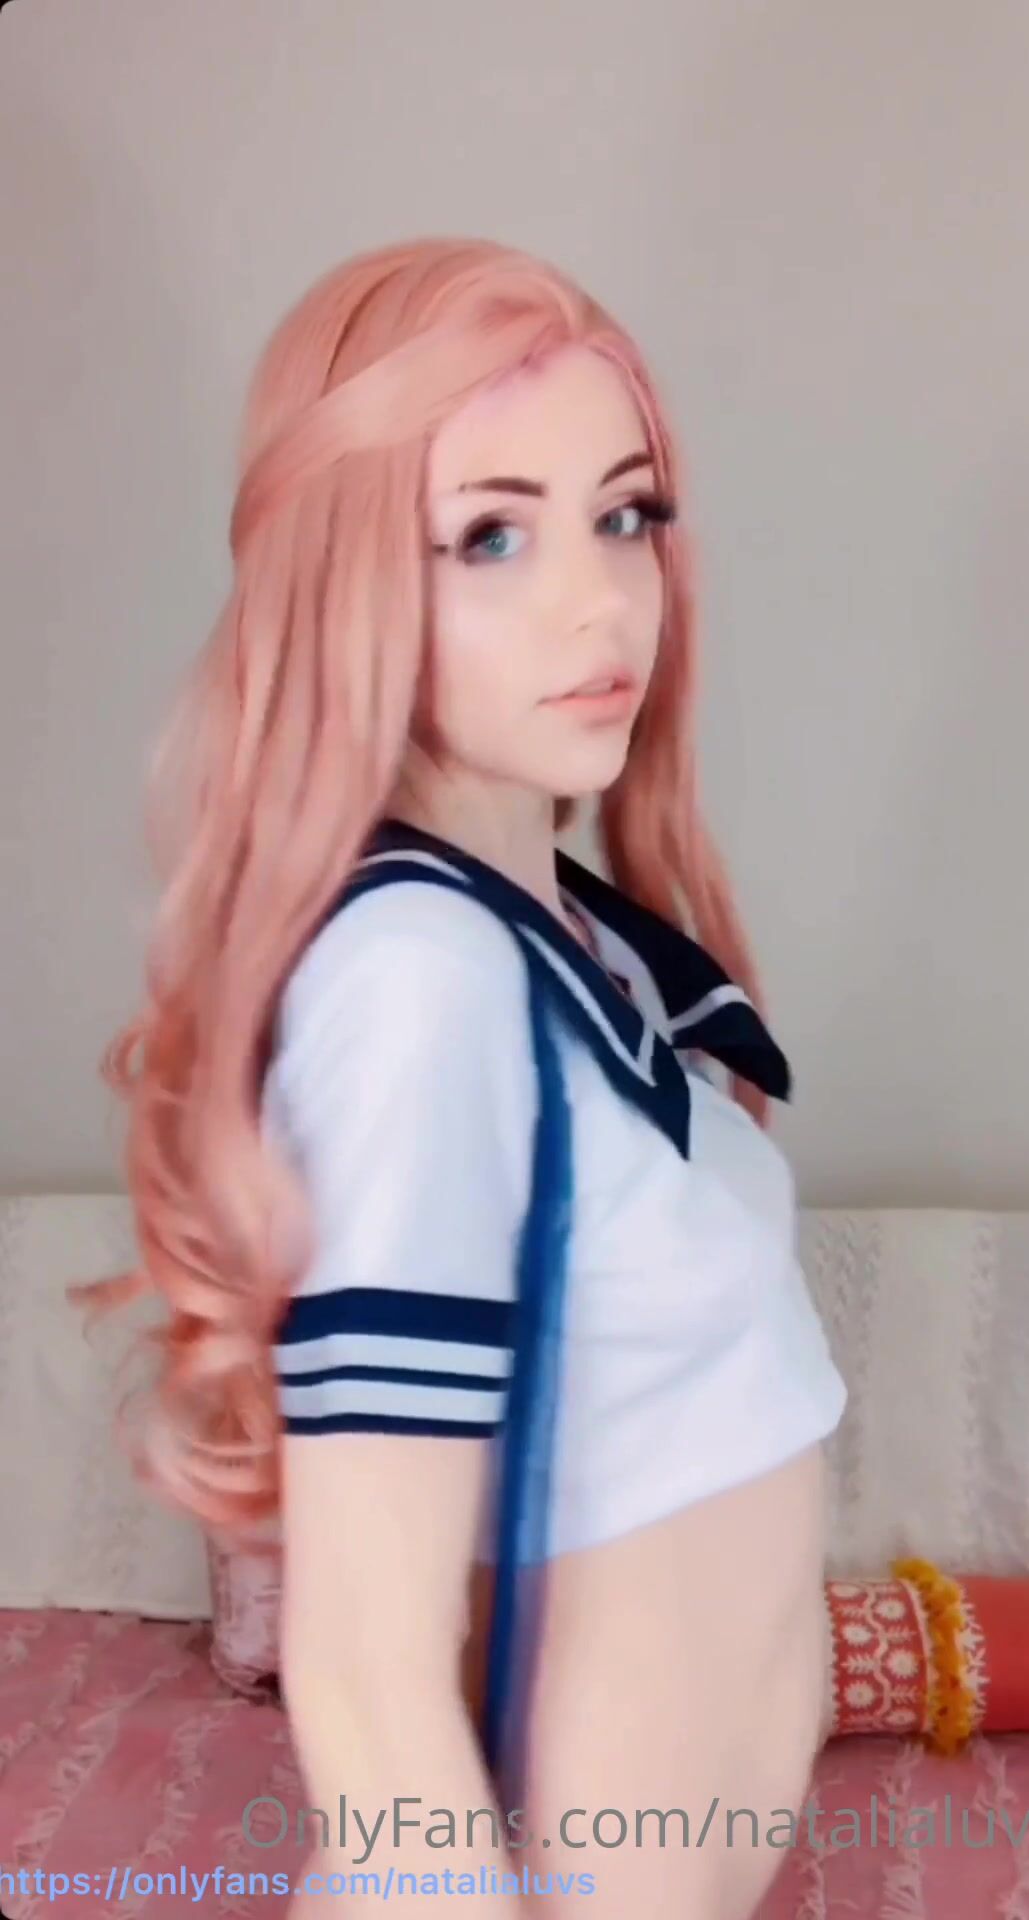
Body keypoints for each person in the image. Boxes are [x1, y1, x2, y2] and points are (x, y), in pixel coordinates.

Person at [79, 237, 848, 1917]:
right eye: (491, 536)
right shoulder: (419, 986)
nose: (598, 600)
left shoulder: (559, 934)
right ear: (344, 579)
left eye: (624, 515)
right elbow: (364, 1676)